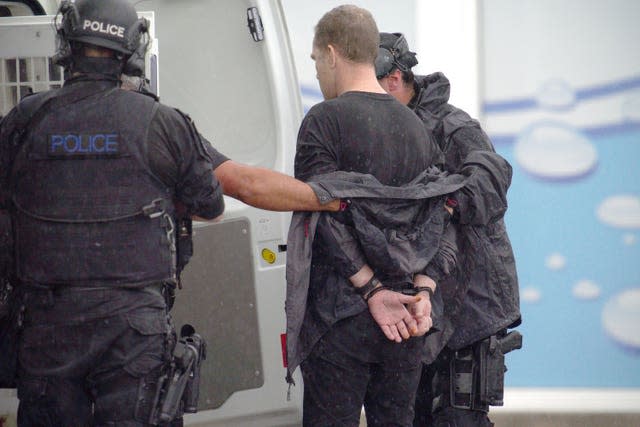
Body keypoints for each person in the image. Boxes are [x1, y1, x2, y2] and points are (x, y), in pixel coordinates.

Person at [0, 1, 335, 426]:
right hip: (131, 329)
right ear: (133, 51)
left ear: (67, 44)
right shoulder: (161, 123)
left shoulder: (25, 120)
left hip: (49, 327)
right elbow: (211, 205)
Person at [285, 6, 463, 426]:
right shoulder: (416, 126)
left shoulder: (323, 120)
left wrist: (368, 288)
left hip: (339, 318)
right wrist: (423, 290)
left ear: (331, 54)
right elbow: (439, 218)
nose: (315, 73)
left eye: (314, 61)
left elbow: (323, 215)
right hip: (404, 323)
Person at [375, 32, 522, 427]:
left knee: (458, 420)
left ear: (392, 81)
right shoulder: (377, 129)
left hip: (470, 305)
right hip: (421, 306)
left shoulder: (452, 125)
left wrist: (446, 205)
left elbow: (493, 175)